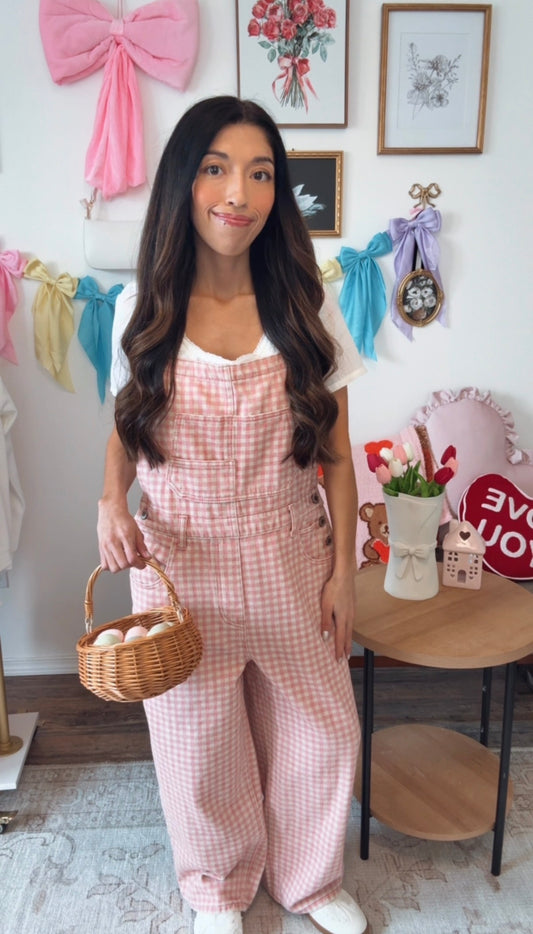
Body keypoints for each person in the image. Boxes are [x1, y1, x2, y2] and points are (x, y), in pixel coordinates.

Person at [97, 95, 367, 934]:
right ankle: (216, 884)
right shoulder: (139, 310)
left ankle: (311, 881)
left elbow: (337, 457)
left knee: (319, 729)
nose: (237, 193)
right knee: (196, 740)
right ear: (184, 180)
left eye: (259, 172)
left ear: (277, 193)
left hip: (291, 552)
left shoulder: (306, 308)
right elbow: (122, 423)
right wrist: (109, 498)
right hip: (179, 567)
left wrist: (344, 574)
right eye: (215, 168)